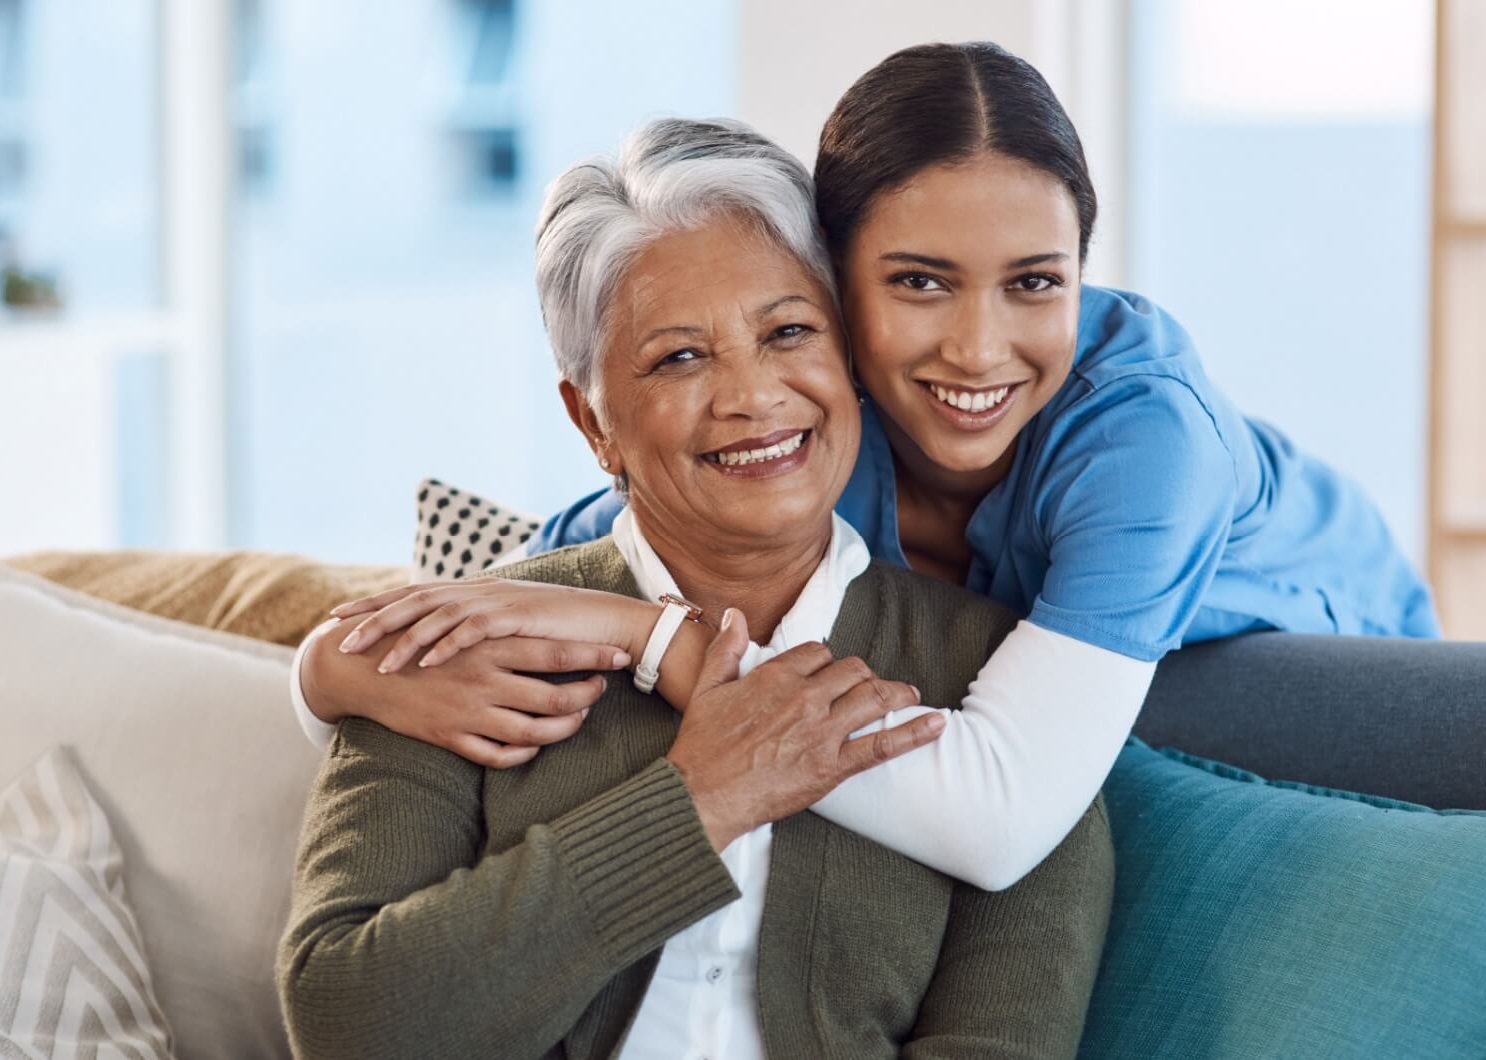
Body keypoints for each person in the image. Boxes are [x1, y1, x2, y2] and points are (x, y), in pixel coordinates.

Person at [319, 41, 1438, 888]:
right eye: (918, 282)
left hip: (1315, 672)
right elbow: (545, 572)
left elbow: (994, 821)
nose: (978, 347)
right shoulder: (813, 423)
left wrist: (646, 640)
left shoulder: (1141, 435)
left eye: (1036, 281)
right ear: (833, 287)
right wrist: (323, 673)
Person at [279, 117, 1112, 1060]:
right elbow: (345, 1022)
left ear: (851, 357)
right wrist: (700, 799)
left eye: (789, 332)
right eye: (680, 357)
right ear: (593, 421)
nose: (752, 397)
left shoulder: (998, 692)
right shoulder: (465, 643)